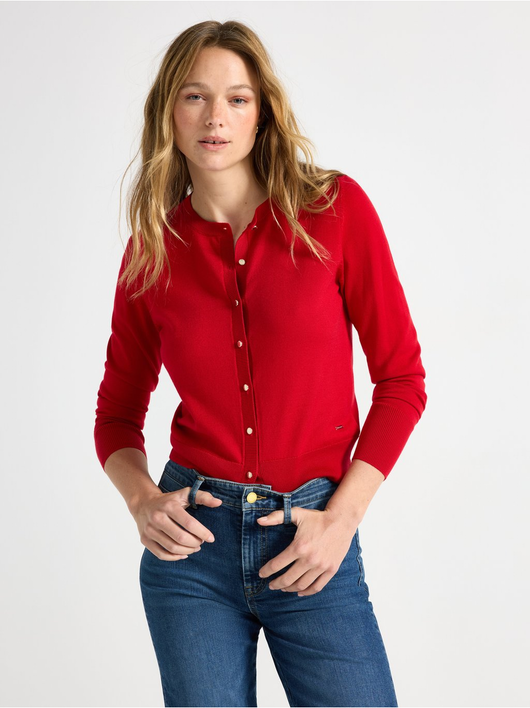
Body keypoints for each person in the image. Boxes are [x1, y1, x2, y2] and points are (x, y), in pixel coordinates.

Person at [94, 19, 427, 708]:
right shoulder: (152, 249)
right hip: (192, 554)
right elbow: (116, 414)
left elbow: (402, 380)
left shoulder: (333, 210)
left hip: (312, 539)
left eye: (237, 98)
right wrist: (142, 501)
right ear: (168, 112)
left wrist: (341, 520)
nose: (215, 117)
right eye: (194, 96)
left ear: (262, 113)